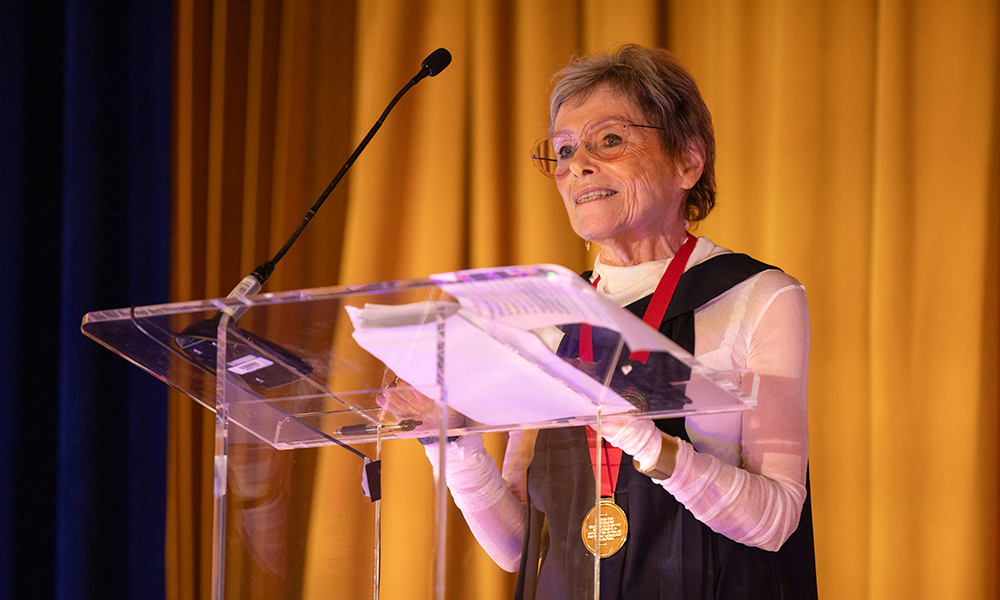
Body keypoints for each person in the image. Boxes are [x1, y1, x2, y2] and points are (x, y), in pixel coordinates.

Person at [379, 44, 814, 599]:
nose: (578, 164)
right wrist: (453, 440)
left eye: (609, 140)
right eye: (564, 149)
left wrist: (645, 440)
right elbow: (520, 546)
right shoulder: (548, 318)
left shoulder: (757, 297)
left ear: (687, 161)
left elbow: (776, 521)